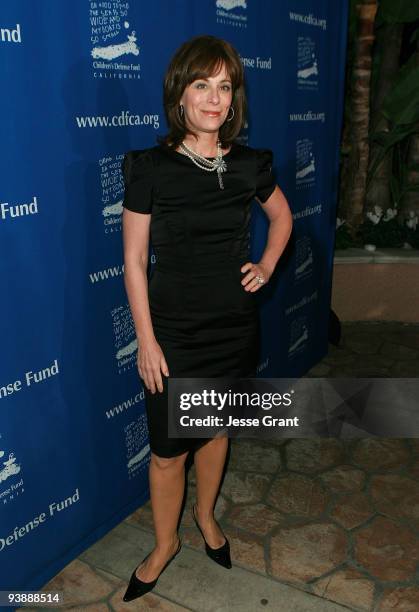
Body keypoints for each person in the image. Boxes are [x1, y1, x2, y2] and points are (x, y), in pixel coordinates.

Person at [121, 34, 293, 602]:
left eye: (225, 86)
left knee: (216, 429)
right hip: (172, 334)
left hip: (232, 327)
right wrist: (146, 341)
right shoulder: (151, 167)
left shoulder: (249, 164)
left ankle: (206, 517)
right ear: (180, 93)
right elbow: (133, 260)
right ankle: (165, 542)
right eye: (202, 85)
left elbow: (283, 218)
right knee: (169, 452)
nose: (214, 98)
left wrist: (266, 266)